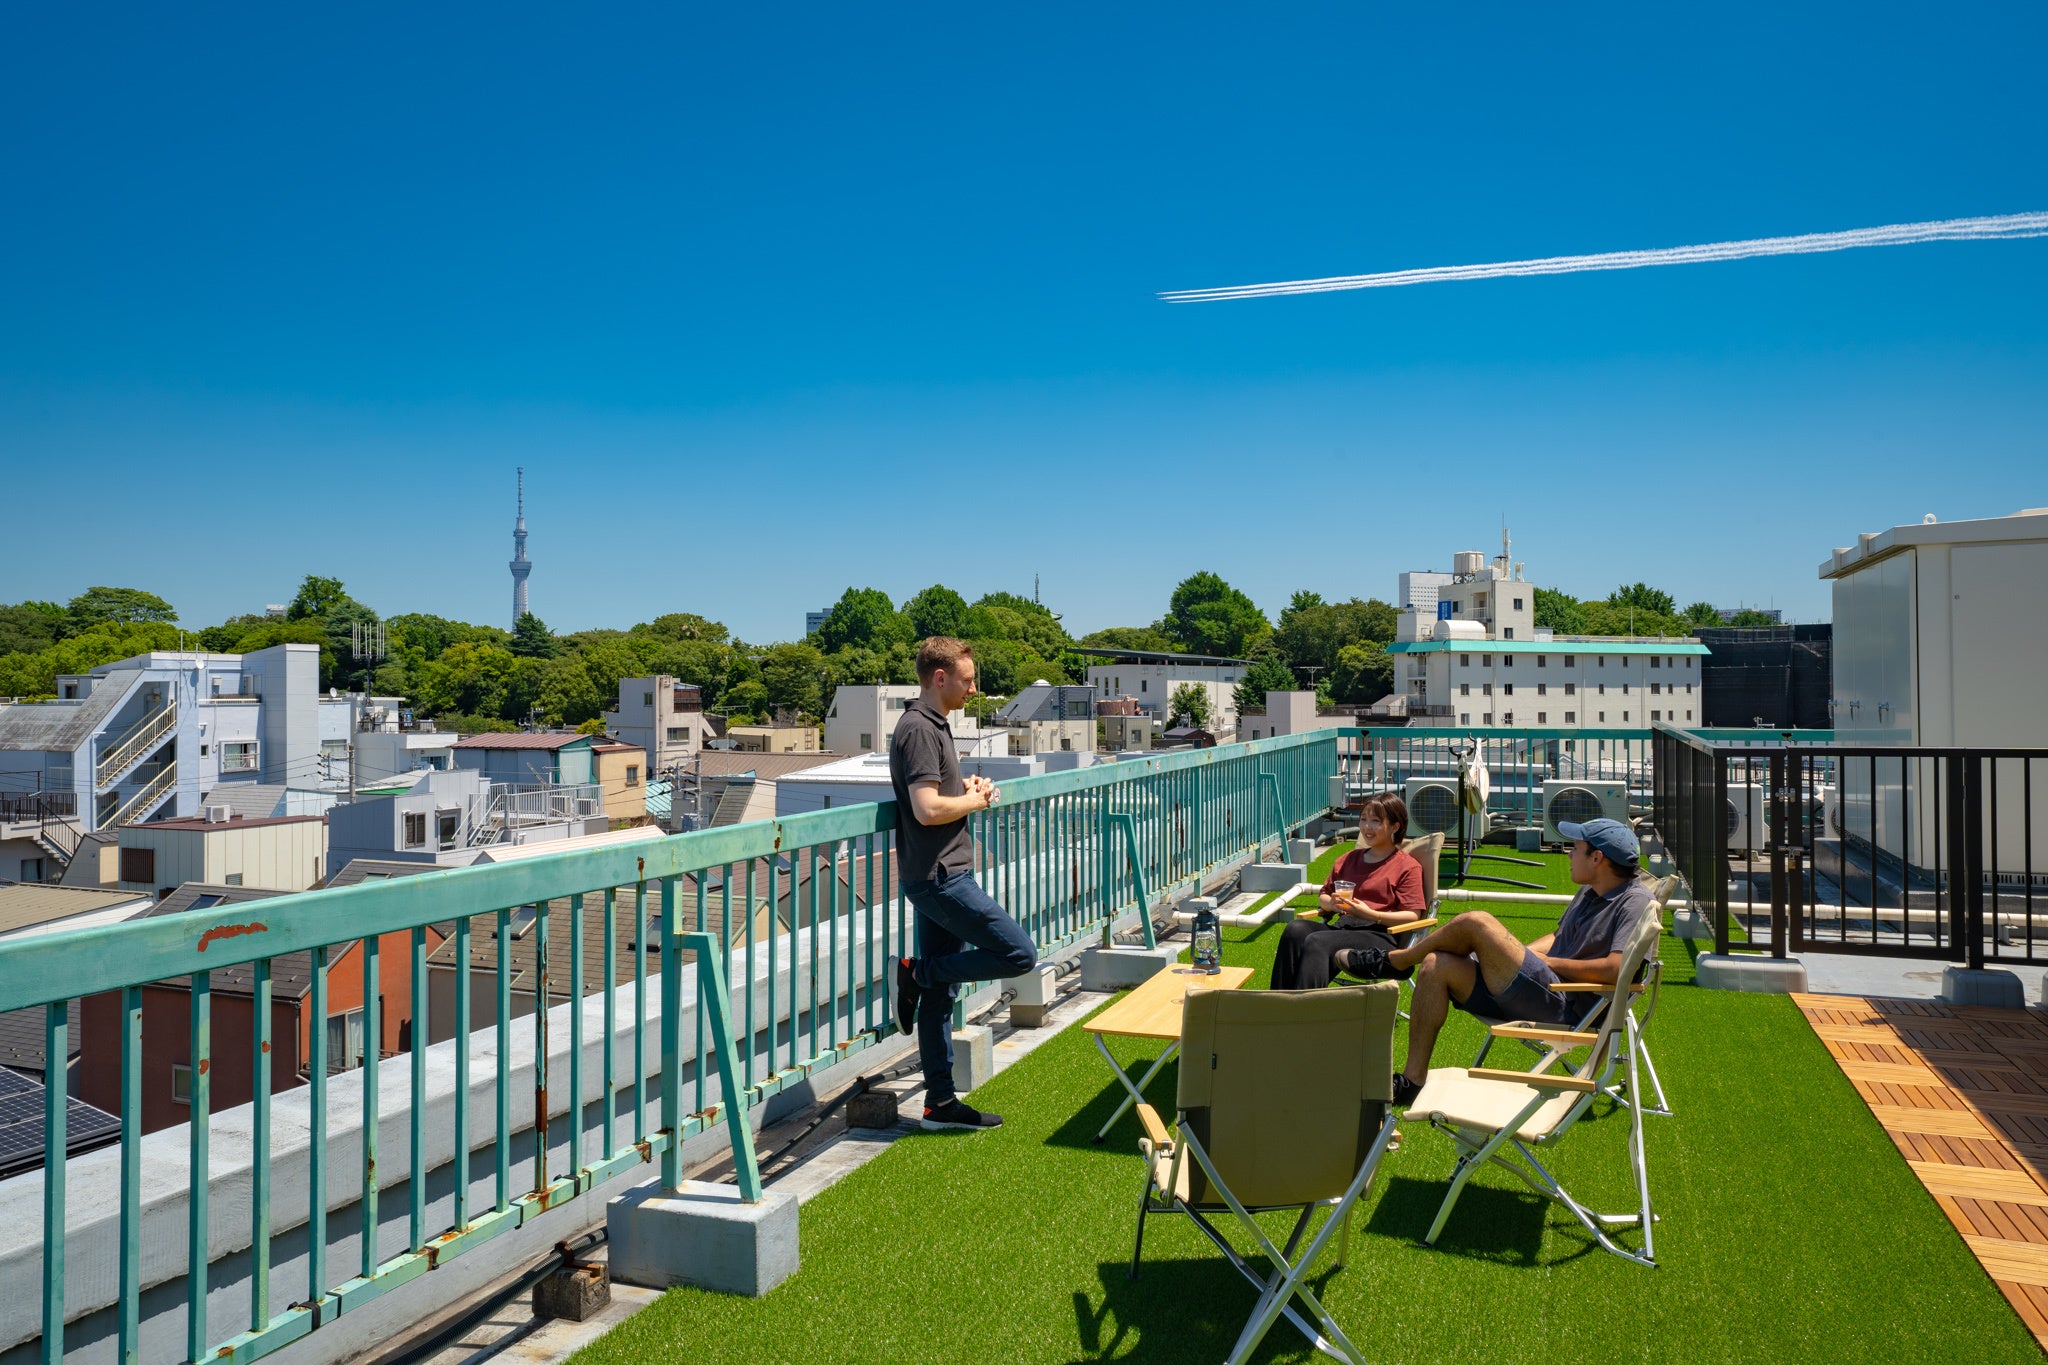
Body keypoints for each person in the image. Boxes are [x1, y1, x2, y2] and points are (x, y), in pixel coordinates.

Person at [1334, 817, 1653, 1107]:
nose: (1569, 853)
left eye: (1576, 848)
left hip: (1568, 1004)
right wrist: (1517, 955)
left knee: (1477, 921)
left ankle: (1397, 961)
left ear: (1597, 858)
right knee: (1435, 964)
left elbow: (1616, 969)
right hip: (1543, 986)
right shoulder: (1591, 890)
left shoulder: (1636, 902)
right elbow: (1558, 937)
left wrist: (1546, 962)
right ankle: (1414, 1080)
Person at [889, 636, 1038, 1131]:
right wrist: (976, 803)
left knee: (939, 999)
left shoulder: (935, 726)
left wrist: (970, 788)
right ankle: (918, 973)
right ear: (940, 677)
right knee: (1019, 954)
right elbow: (926, 809)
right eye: (968, 679)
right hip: (940, 878)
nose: (973, 688)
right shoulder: (918, 729)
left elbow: (939, 794)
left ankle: (939, 1103)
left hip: (942, 872)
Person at [1269, 794, 1426, 990]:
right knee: (1295, 930)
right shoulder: (1348, 859)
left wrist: (1372, 914)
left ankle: (1304, 1013)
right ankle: (1277, 1006)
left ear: (1395, 826)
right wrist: (1331, 904)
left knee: (1318, 942)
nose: (1367, 827)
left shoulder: (1406, 867)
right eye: (1363, 819)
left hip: (1379, 934)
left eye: (1375, 821)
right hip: (1344, 927)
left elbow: (1413, 916)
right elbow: (1324, 895)